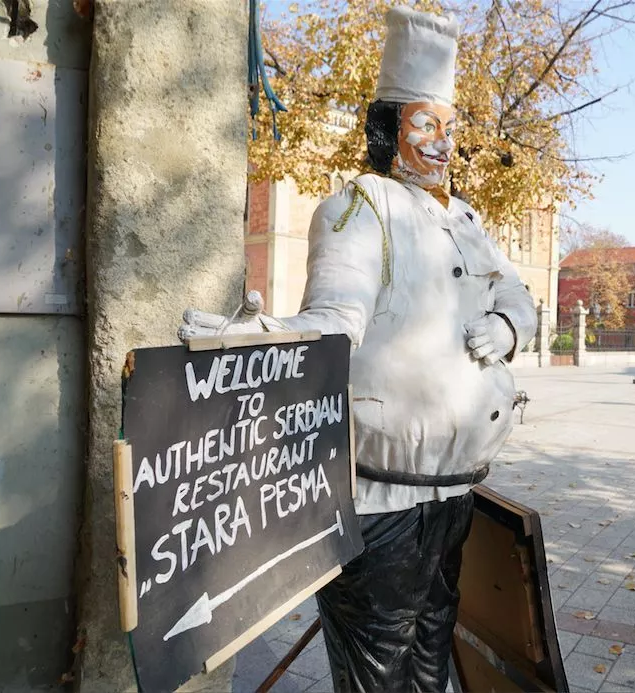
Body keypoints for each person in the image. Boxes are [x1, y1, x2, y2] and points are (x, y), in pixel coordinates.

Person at [180, 8, 536, 690]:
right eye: (425, 124)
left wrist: (508, 327)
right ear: (388, 129)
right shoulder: (361, 207)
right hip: (380, 500)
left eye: (449, 127)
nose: (441, 143)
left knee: (432, 648)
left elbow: (517, 295)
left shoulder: (467, 218)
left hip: (453, 494)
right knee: (378, 663)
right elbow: (335, 319)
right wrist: (256, 341)